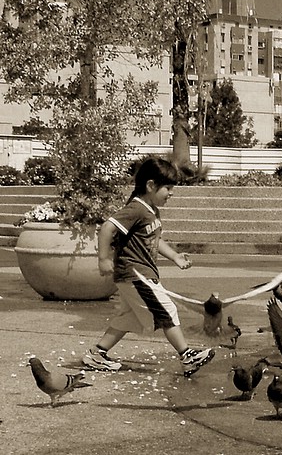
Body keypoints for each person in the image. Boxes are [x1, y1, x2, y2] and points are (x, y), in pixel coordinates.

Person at [82, 156, 215, 377]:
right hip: (136, 274)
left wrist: (174, 256)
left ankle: (97, 354)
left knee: (129, 317)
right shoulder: (136, 209)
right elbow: (107, 228)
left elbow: (155, 239)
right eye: (168, 188)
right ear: (151, 185)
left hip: (138, 274)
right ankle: (187, 356)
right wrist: (103, 259)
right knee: (166, 309)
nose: (171, 193)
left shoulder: (151, 210)